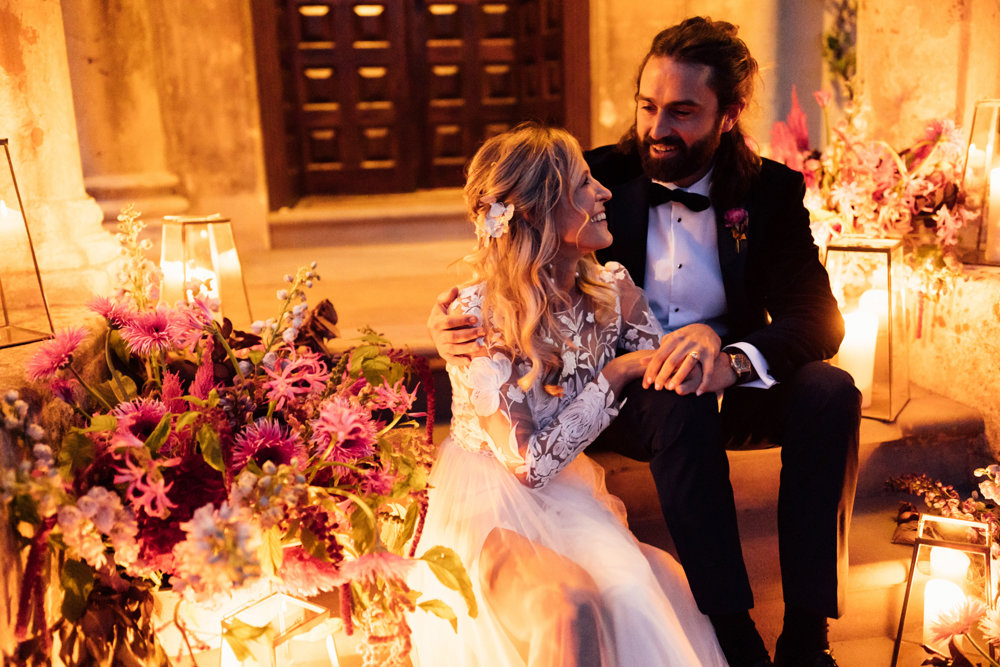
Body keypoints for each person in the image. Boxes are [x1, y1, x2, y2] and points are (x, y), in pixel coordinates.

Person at [428, 17, 860, 667]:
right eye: (648, 107)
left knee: (831, 390)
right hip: (627, 394)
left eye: (682, 112)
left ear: (728, 113)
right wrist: (448, 327)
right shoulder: (597, 178)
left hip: (724, 377)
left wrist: (735, 360)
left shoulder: (770, 191)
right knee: (673, 396)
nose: (657, 129)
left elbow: (819, 318)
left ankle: (806, 632)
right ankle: (734, 629)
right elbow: (512, 250)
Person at [410, 121, 728, 666]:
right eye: (584, 184)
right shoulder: (475, 317)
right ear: (533, 210)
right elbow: (527, 465)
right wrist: (618, 372)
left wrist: (705, 345)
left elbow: (671, 369)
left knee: (646, 587)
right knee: (568, 606)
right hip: (490, 503)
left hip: (572, 496)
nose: (604, 192)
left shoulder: (614, 290)